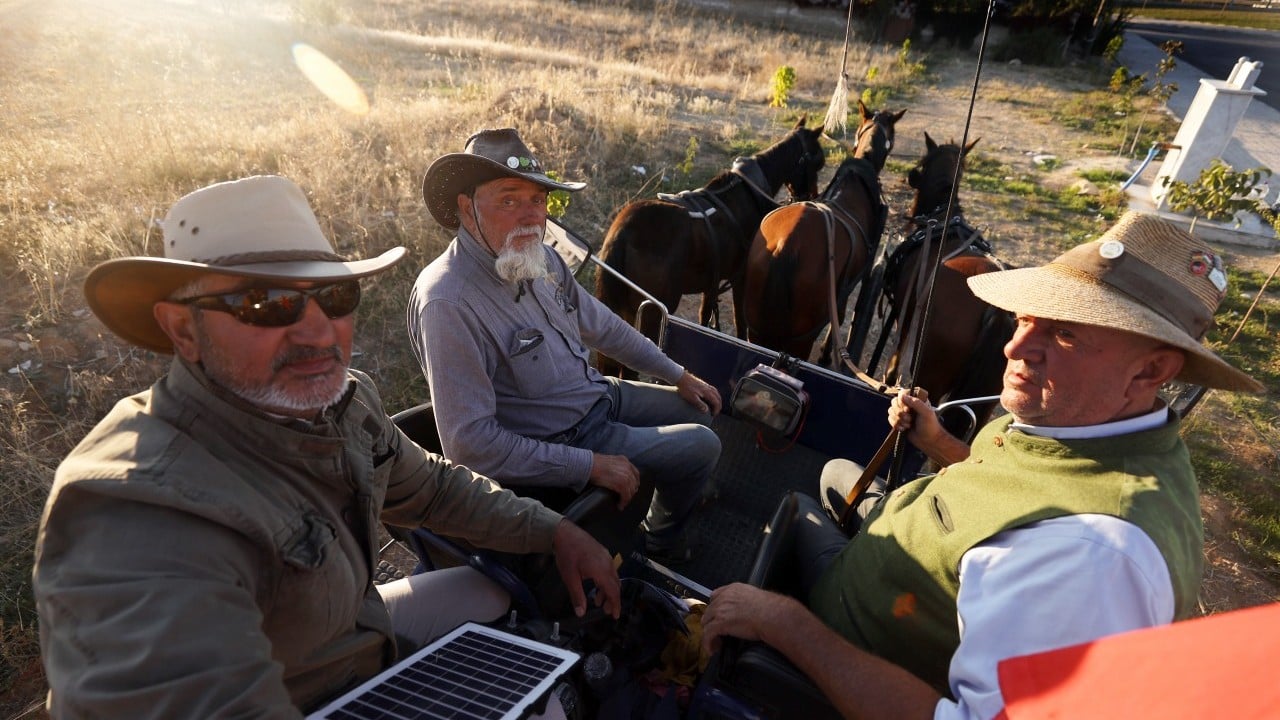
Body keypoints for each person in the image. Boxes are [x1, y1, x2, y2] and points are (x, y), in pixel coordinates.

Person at [32, 175, 621, 718]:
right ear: (183, 329)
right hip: (301, 689)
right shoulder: (137, 506)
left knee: (495, 596)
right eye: (265, 304)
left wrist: (554, 530)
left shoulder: (342, 404)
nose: (318, 334)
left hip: (349, 633)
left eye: (334, 298)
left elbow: (434, 488)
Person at [699, 211, 1265, 720]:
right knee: (833, 475)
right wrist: (940, 442)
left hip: (845, 657)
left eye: (1064, 333)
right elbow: (1014, 497)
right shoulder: (1079, 420)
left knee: (795, 510)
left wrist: (785, 623)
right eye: (1024, 319)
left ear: (1150, 372)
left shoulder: (1094, 559)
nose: (1015, 349)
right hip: (897, 572)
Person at [407, 128, 723, 563]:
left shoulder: (541, 258)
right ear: (466, 208)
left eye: (539, 200)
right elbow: (472, 447)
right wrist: (589, 464)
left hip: (598, 394)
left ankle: (668, 501)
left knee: (701, 408)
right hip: (567, 439)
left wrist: (677, 375)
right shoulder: (448, 301)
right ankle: (660, 544)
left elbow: (604, 327)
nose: (531, 215)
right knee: (703, 446)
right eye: (509, 200)